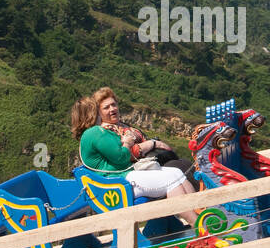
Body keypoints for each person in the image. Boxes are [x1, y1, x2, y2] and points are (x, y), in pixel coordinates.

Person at [72, 96, 201, 229]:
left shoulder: (92, 133)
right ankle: (197, 224)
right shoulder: (94, 132)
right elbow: (121, 158)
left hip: (121, 178)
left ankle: (199, 214)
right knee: (171, 180)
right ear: (92, 112)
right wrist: (127, 143)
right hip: (119, 181)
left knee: (176, 173)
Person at [91, 87, 197, 183]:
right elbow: (125, 155)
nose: (112, 109)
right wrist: (153, 143)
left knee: (186, 164)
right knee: (178, 169)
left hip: (153, 162)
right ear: (99, 113)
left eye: (114, 104)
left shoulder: (122, 125)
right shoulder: (105, 132)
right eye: (106, 107)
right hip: (139, 170)